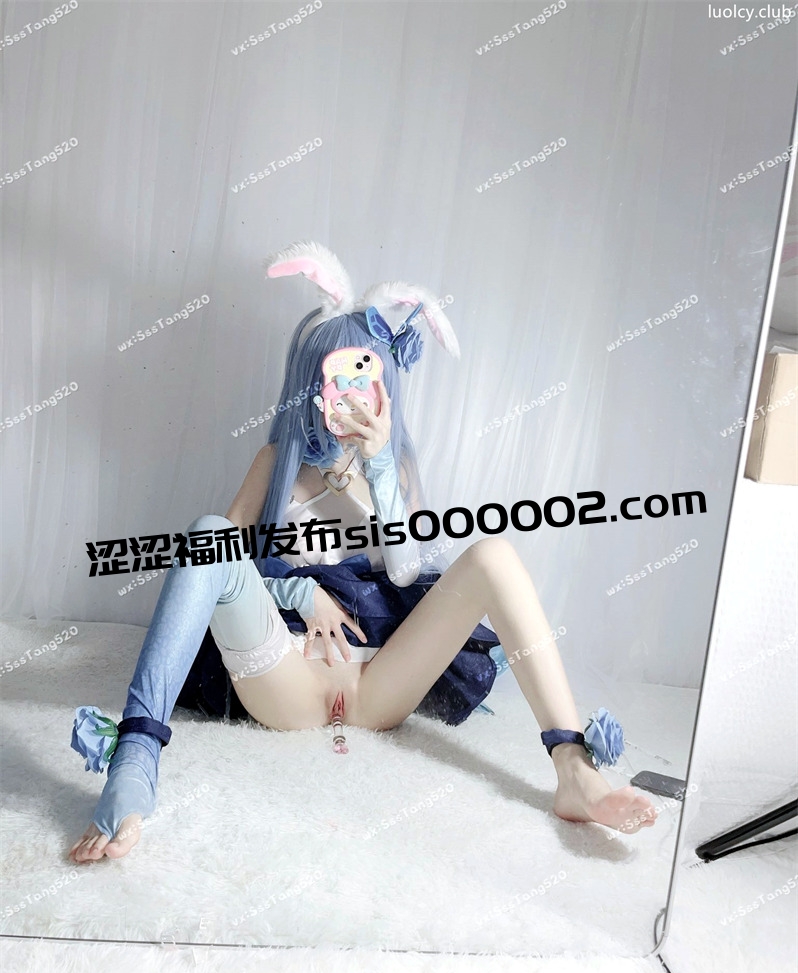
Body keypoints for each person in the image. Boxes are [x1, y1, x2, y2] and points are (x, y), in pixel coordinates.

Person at [70, 242, 656, 863]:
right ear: (311, 385)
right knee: (207, 530)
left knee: (495, 555)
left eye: (366, 380)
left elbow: (406, 570)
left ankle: (573, 768)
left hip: (381, 683)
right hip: (287, 675)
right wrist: (298, 589)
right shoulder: (276, 462)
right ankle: (134, 761)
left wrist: (379, 471)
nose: (351, 396)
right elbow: (218, 567)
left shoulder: (395, 469)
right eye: (338, 379)